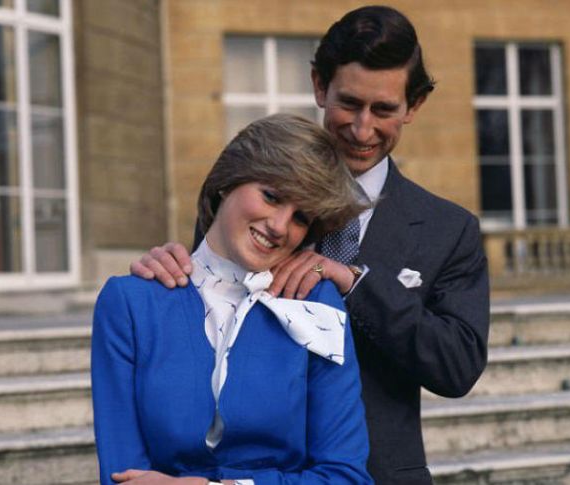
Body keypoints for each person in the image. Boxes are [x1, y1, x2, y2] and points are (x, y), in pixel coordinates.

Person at [130, 6, 490, 484]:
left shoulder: (450, 229)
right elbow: (201, 328)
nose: (362, 129)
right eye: (349, 104)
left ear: (413, 105)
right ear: (320, 86)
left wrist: (356, 284)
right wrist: (168, 277)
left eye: (383, 110)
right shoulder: (250, 199)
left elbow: (457, 367)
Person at [91, 114, 374, 485]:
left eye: (301, 218)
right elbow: (122, 475)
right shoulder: (130, 303)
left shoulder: (316, 304)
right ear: (228, 182)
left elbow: (345, 477)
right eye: (271, 196)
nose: (279, 226)